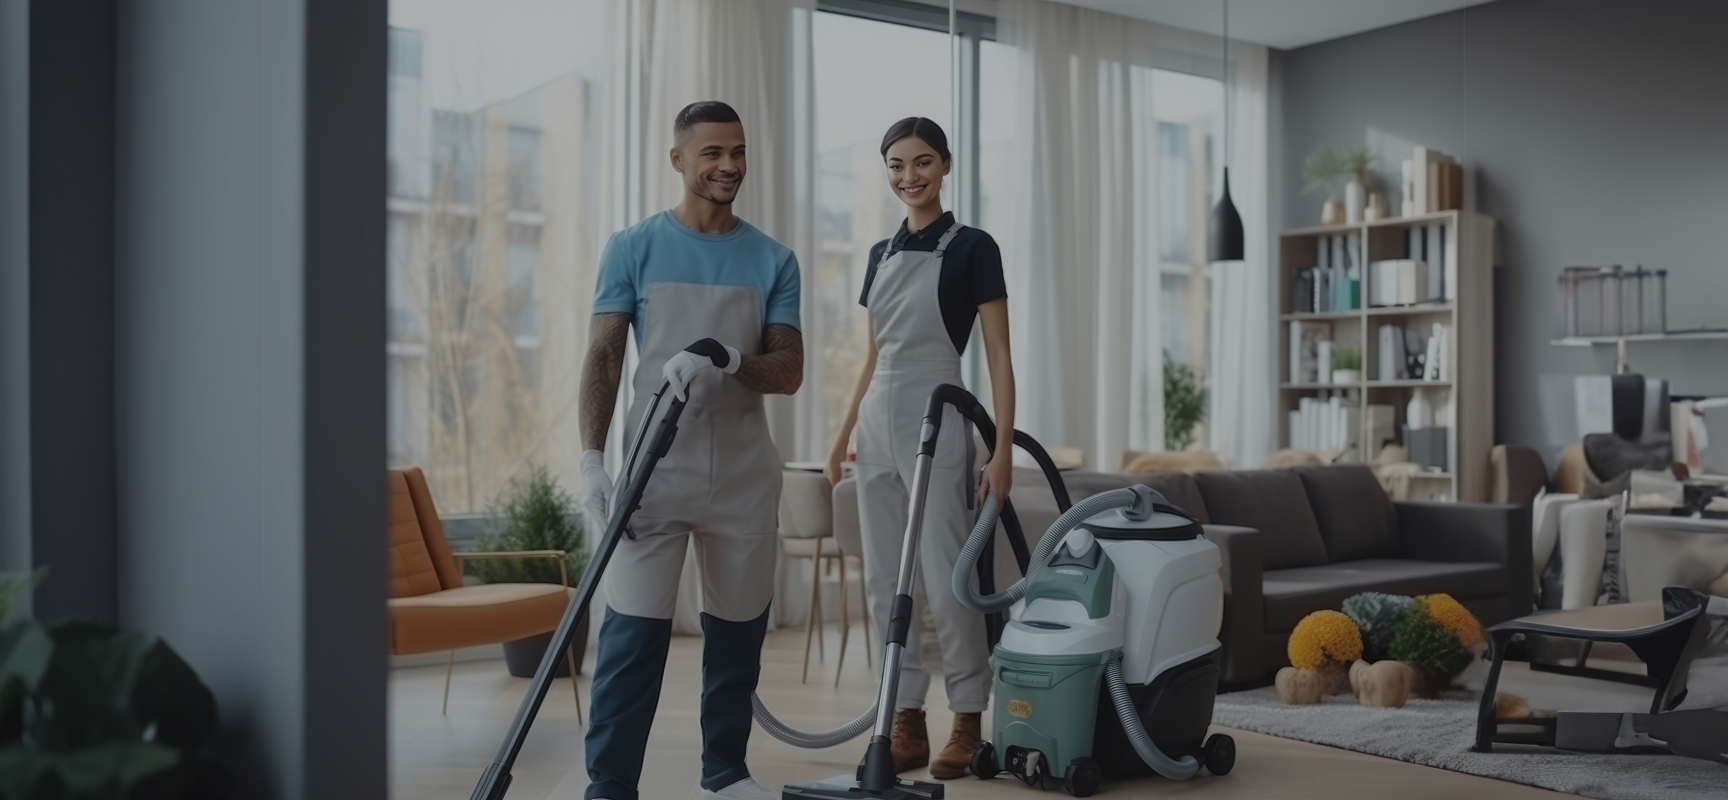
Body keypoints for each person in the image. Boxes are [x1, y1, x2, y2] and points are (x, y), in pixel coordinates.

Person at [578, 100, 803, 800]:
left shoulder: (773, 259)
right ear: (679, 159)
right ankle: (610, 786)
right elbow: (605, 358)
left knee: (737, 641)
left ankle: (725, 775)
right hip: (654, 474)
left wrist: (729, 358)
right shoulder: (633, 247)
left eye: (738, 151)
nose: (729, 164)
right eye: (712, 152)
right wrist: (592, 458)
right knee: (631, 641)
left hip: (742, 477)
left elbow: (788, 371)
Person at [824, 117, 1016, 779]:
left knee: (945, 572)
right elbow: (873, 353)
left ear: (946, 164)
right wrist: (844, 431)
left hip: (940, 413)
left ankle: (967, 714)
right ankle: (904, 717)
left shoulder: (973, 247)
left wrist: (1003, 449)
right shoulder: (879, 253)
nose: (910, 176)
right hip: (880, 417)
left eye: (923, 162)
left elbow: (998, 355)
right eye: (897, 165)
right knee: (885, 579)